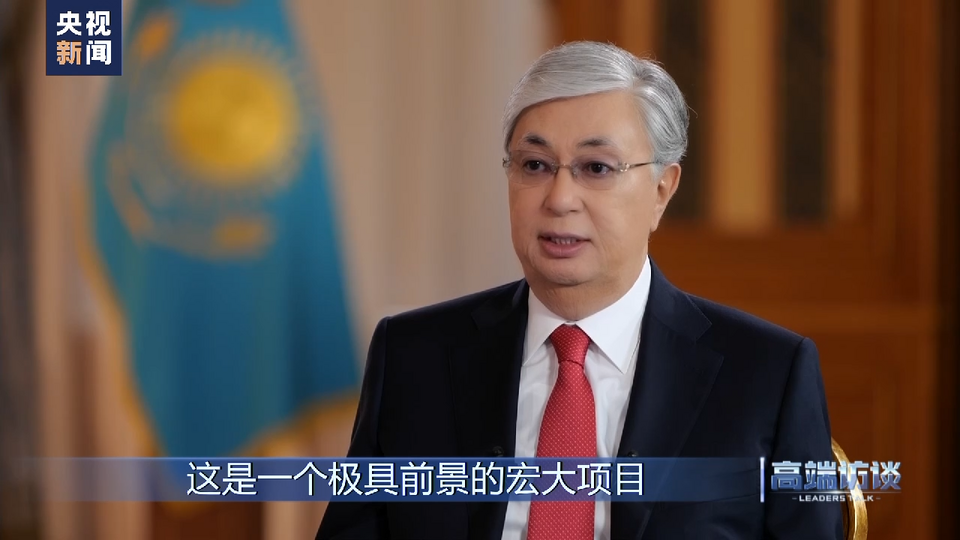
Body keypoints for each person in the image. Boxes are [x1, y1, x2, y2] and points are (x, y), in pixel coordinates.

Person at [316, 41, 842, 540]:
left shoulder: (767, 374)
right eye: (535, 165)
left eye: (596, 168)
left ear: (662, 189)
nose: (560, 198)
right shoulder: (413, 356)